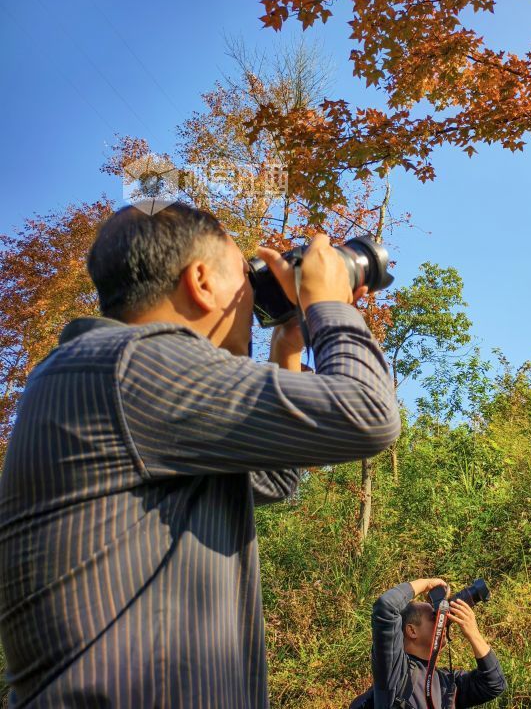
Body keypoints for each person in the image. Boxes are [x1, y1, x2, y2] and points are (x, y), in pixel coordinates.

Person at [0, 200, 400, 707]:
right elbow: (368, 413)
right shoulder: (132, 363)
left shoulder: (107, 376)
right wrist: (329, 305)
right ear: (202, 282)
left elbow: (273, 481)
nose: (251, 302)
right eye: (245, 280)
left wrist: (287, 347)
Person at [352, 577, 507, 709]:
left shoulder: (447, 682)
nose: (443, 619)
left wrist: (474, 634)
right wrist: (427, 583)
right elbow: (385, 607)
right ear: (412, 631)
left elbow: (494, 684)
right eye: (434, 617)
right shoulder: (395, 671)